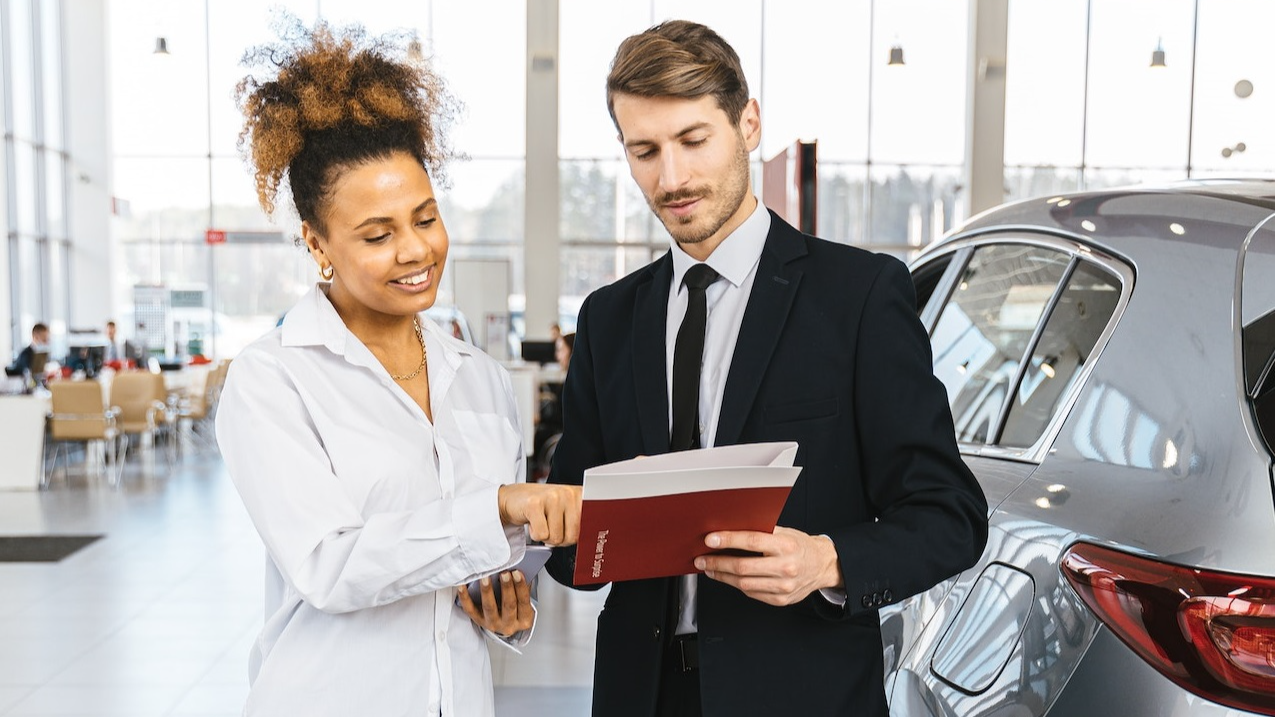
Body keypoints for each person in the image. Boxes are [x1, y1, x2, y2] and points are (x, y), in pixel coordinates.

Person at [545, 20, 988, 716]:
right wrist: (538, 532)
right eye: (644, 151)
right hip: (642, 693)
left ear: (747, 123)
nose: (672, 177)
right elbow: (572, 517)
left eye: (693, 140)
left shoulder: (858, 296)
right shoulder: (609, 317)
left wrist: (826, 561)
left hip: (800, 692)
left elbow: (950, 515)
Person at [215, 21, 582, 717]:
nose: (415, 250)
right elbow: (330, 565)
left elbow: (474, 568)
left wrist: (505, 607)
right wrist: (497, 506)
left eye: (425, 217)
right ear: (317, 243)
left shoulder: (477, 376)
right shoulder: (272, 379)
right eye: (378, 234)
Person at [532, 332, 574, 480]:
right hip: (559, 429)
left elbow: (563, 417)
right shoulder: (568, 378)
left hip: (561, 433)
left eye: (561, 350)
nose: (557, 356)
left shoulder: (573, 384)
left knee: (537, 435)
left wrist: (540, 418)